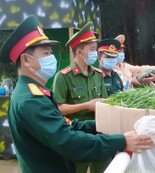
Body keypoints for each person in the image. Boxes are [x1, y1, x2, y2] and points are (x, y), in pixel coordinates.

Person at [0, 15, 152, 173]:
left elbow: (70, 125)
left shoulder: (33, 93)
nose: (52, 57)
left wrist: (110, 126)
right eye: (46, 53)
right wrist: (122, 141)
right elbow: (66, 139)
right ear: (25, 60)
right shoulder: (30, 99)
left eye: (51, 52)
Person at [52, 21, 111, 173]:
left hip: (99, 134)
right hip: (76, 137)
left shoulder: (98, 74)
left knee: (103, 169)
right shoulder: (63, 77)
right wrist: (86, 105)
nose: (95, 54)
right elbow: (58, 109)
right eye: (92, 50)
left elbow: (105, 102)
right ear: (79, 52)